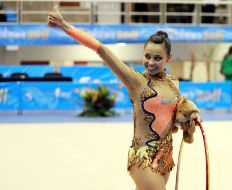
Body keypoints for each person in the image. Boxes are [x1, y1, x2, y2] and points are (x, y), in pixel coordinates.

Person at [48, 6, 199, 190]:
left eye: (157, 58)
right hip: (142, 157)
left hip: (165, 157)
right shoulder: (136, 80)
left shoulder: (174, 83)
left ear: (169, 57)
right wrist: (64, 25)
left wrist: (188, 120)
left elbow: (173, 121)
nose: (151, 62)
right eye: (147, 56)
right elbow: (101, 49)